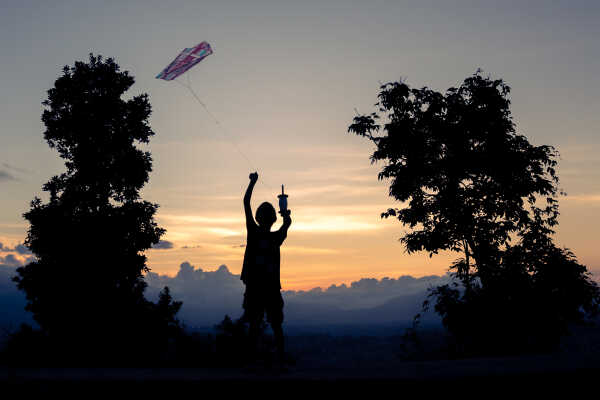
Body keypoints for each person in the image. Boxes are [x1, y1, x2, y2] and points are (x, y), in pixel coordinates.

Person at [240, 171, 292, 366]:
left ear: (259, 217)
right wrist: (286, 215)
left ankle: (256, 360)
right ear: (272, 219)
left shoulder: (259, 234)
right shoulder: (269, 237)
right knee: (272, 325)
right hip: (264, 288)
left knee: (259, 325)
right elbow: (287, 224)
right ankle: (277, 359)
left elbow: (246, 203)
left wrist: (253, 183)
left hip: (261, 288)